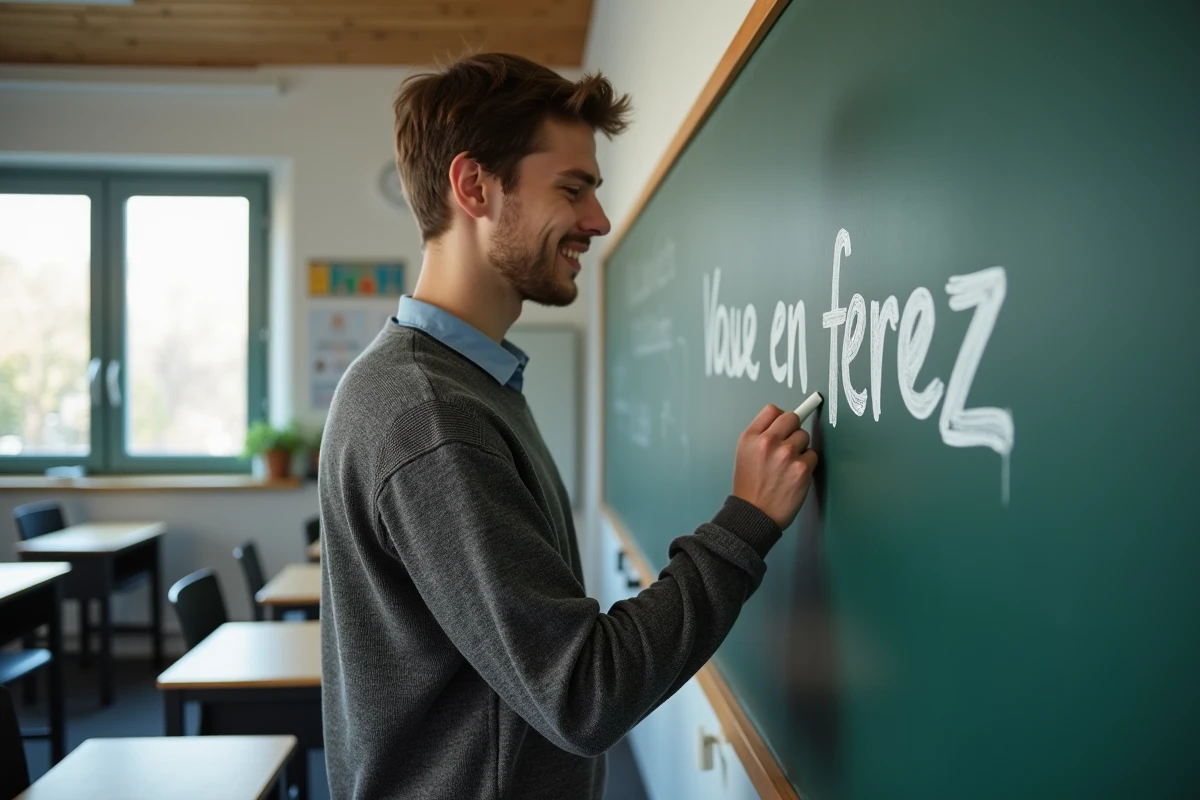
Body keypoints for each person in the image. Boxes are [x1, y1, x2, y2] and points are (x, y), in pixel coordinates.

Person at [319, 52, 819, 800]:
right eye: (572, 188)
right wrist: (745, 522)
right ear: (474, 187)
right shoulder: (432, 417)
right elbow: (582, 694)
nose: (599, 221)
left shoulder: (459, 386)